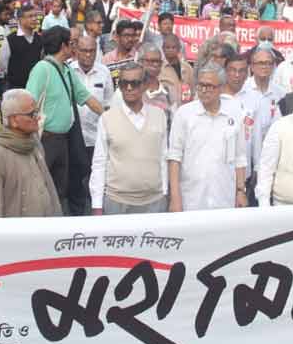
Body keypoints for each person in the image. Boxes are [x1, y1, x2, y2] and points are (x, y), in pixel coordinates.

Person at [25, 26, 103, 207]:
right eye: (72, 43)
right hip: (46, 139)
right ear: (63, 46)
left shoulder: (66, 69)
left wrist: (108, 117)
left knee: (59, 187)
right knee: (43, 186)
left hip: (63, 140)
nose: (74, 47)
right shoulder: (42, 69)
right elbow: (29, 102)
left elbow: (86, 97)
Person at [90, 62, 168, 215]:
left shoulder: (159, 116)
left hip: (155, 202)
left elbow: (163, 157)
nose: (129, 88)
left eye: (135, 83)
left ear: (144, 85)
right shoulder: (107, 119)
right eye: (124, 83)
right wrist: (97, 205)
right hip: (117, 203)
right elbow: (99, 163)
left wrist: (165, 193)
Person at [168, 63, 247, 211]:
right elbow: (174, 158)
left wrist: (240, 191)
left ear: (221, 88)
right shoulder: (184, 114)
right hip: (191, 199)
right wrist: (175, 197)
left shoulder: (235, 113)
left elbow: (240, 157)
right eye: (201, 85)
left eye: (210, 86)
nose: (204, 91)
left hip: (224, 197)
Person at [0, 89, 62, 218]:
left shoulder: (34, 144)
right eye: (31, 114)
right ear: (13, 120)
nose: (38, 117)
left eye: (37, 112)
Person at [69, 35, 113, 215]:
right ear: (76, 51)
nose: (88, 55)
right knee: (75, 184)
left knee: (96, 181)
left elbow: (109, 104)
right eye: (84, 51)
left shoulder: (104, 72)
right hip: (74, 139)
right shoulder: (68, 71)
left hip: (97, 139)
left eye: (92, 51)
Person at [0, 6, 42, 89]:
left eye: (35, 16)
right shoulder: (10, 40)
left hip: (35, 86)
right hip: (16, 87)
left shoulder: (39, 38)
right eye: (30, 16)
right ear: (20, 19)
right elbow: (3, 65)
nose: (34, 19)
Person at [160, 34, 194, 105]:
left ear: (179, 49)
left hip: (185, 108)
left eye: (173, 47)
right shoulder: (159, 69)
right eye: (168, 47)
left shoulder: (187, 68)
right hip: (167, 108)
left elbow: (193, 90)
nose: (170, 50)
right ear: (163, 49)